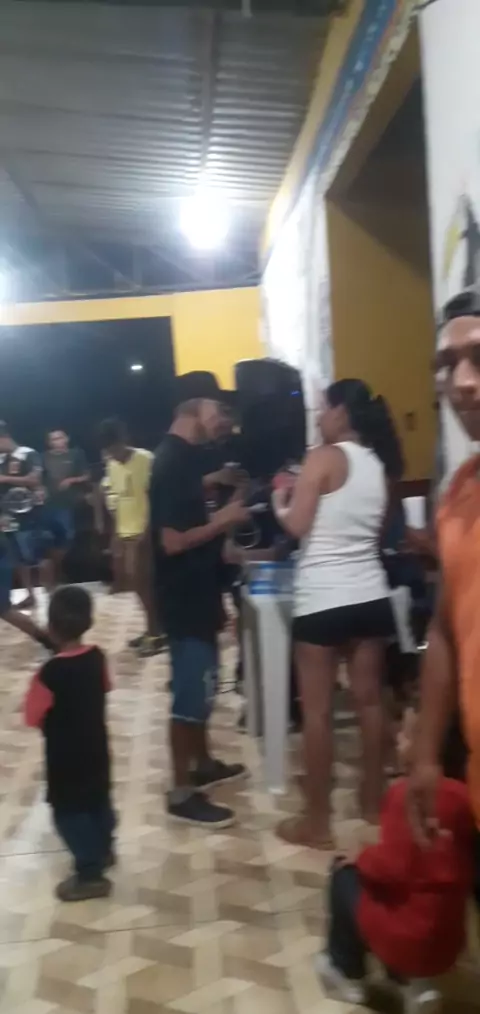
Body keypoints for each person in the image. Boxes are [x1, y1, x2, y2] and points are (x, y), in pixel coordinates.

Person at [273, 379, 404, 848]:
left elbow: (298, 525)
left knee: (318, 714)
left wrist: (280, 502)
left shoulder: (323, 457)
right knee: (370, 702)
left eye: (322, 409)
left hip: (323, 597)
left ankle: (317, 822)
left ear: (341, 412)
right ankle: (372, 802)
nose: (318, 418)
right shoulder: (380, 465)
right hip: (370, 595)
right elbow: (377, 533)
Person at [317, 709, 474, 1012]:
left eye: (405, 735)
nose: (397, 739)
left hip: (406, 938)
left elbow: (390, 868)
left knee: (343, 876)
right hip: (446, 943)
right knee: (417, 898)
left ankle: (345, 970)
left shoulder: (406, 796)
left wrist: (361, 857)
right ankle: (415, 983)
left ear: (426, 749)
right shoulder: (465, 799)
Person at [149, 371, 250, 828]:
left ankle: (204, 763)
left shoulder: (187, 458)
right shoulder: (171, 460)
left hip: (200, 589)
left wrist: (218, 484)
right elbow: (171, 541)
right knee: (190, 692)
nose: (222, 419)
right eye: (217, 408)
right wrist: (224, 520)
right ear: (195, 405)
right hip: (183, 594)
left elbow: (188, 502)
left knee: (205, 683)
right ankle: (180, 790)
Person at [408, 289, 480, 897]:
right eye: (448, 364)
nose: (462, 382)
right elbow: (445, 629)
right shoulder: (460, 492)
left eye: (479, 358)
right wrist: (428, 754)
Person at [24, 586, 114, 902]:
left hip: (64, 759)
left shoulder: (49, 673)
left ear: (50, 628)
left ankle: (90, 874)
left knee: (69, 813)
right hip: (97, 749)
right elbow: (106, 687)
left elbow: (32, 716)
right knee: (98, 800)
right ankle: (104, 849)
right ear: (89, 621)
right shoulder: (98, 658)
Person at [98, 419, 163, 657]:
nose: (113, 455)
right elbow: (115, 500)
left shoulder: (146, 459)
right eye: (108, 451)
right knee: (137, 586)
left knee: (145, 585)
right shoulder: (112, 465)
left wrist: (147, 532)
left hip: (146, 532)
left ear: (124, 440)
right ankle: (153, 629)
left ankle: (156, 635)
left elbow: (157, 498)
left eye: (114, 448)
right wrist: (116, 534)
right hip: (126, 533)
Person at [0, 422, 42, 608]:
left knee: (31, 556)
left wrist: (5, 478)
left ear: (4, 438)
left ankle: (50, 593)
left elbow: (34, 479)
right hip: (7, 516)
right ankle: (29, 594)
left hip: (28, 515)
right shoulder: (1, 459)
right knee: (14, 557)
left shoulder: (28, 454)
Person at [41, 429, 90, 589]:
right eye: (53, 439)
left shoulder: (76, 454)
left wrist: (71, 480)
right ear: (49, 443)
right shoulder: (43, 457)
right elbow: (38, 477)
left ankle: (60, 570)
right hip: (48, 504)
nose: (57, 441)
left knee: (67, 538)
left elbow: (86, 475)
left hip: (68, 504)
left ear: (67, 439)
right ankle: (54, 575)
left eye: (60, 437)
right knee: (49, 540)